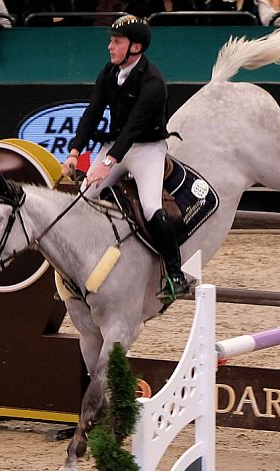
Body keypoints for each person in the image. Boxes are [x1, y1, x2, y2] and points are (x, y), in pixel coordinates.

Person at [61, 15, 190, 301]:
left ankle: (175, 273)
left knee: (150, 208)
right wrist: (74, 152)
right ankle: (76, 270)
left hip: (146, 149)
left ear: (136, 47)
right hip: (116, 145)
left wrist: (106, 164)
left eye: (116, 41)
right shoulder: (109, 73)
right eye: (111, 40)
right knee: (84, 198)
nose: (110, 46)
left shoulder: (153, 82)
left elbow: (134, 128)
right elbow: (92, 113)